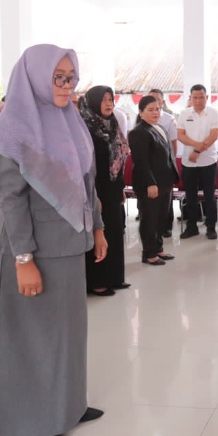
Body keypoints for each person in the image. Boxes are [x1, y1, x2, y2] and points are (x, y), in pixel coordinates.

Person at [0, 44, 107, 436]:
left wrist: (98, 228)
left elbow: (89, 184)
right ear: (33, 77)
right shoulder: (13, 130)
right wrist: (24, 260)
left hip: (68, 245)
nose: (67, 86)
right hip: (30, 252)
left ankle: (67, 405)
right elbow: (12, 199)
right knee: (28, 339)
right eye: (58, 77)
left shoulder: (71, 123)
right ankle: (29, 426)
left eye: (71, 78)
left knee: (66, 333)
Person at [80, 85, 131, 294]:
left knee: (115, 231)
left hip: (112, 188)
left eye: (111, 99)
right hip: (96, 189)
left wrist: (120, 188)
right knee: (99, 234)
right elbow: (85, 167)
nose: (109, 104)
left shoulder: (112, 124)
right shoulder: (85, 128)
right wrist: (94, 196)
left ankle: (115, 277)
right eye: (104, 100)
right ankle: (98, 281)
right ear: (93, 102)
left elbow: (119, 160)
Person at [127, 95, 179, 266]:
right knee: (149, 218)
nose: (155, 112)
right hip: (150, 184)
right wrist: (151, 183)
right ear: (141, 113)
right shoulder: (138, 132)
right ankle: (148, 253)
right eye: (150, 110)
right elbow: (141, 161)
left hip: (165, 181)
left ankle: (158, 248)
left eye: (157, 109)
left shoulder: (160, 127)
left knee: (161, 218)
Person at [176, 84, 218, 239]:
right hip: (189, 162)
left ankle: (211, 227)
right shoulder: (184, 113)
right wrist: (196, 146)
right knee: (191, 196)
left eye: (201, 97)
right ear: (191, 98)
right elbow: (180, 135)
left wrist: (197, 151)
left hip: (208, 162)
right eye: (195, 97)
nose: (198, 100)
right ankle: (192, 226)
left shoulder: (213, 113)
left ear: (206, 97)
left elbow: (214, 135)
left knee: (209, 195)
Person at [147, 88, 179, 237]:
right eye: (151, 99)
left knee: (167, 198)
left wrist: (171, 162)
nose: (154, 103)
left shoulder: (168, 119)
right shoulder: (142, 120)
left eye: (157, 99)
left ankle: (167, 226)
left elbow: (173, 143)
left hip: (165, 166)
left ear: (163, 102)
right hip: (150, 167)